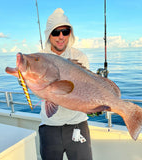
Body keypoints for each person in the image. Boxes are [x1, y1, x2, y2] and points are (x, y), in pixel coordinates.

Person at [39, 8, 93, 160]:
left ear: (71, 33)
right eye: (56, 32)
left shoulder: (80, 56)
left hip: (78, 124)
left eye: (65, 31)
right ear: (49, 34)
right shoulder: (41, 58)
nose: (61, 36)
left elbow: (86, 90)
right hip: (49, 126)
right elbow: (36, 90)